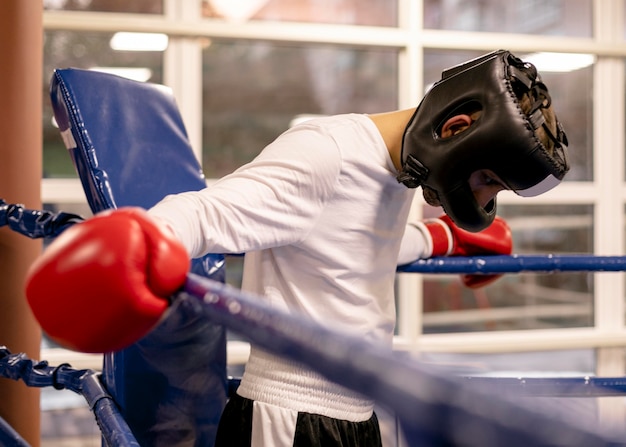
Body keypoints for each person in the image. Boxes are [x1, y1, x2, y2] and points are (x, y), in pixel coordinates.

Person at [25, 49, 568, 447]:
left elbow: (354, 254)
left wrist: (440, 238)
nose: (483, 201)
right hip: (289, 418)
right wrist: (142, 240)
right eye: (489, 182)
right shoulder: (324, 153)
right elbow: (207, 211)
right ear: (456, 128)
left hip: (359, 405)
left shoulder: (399, 170)